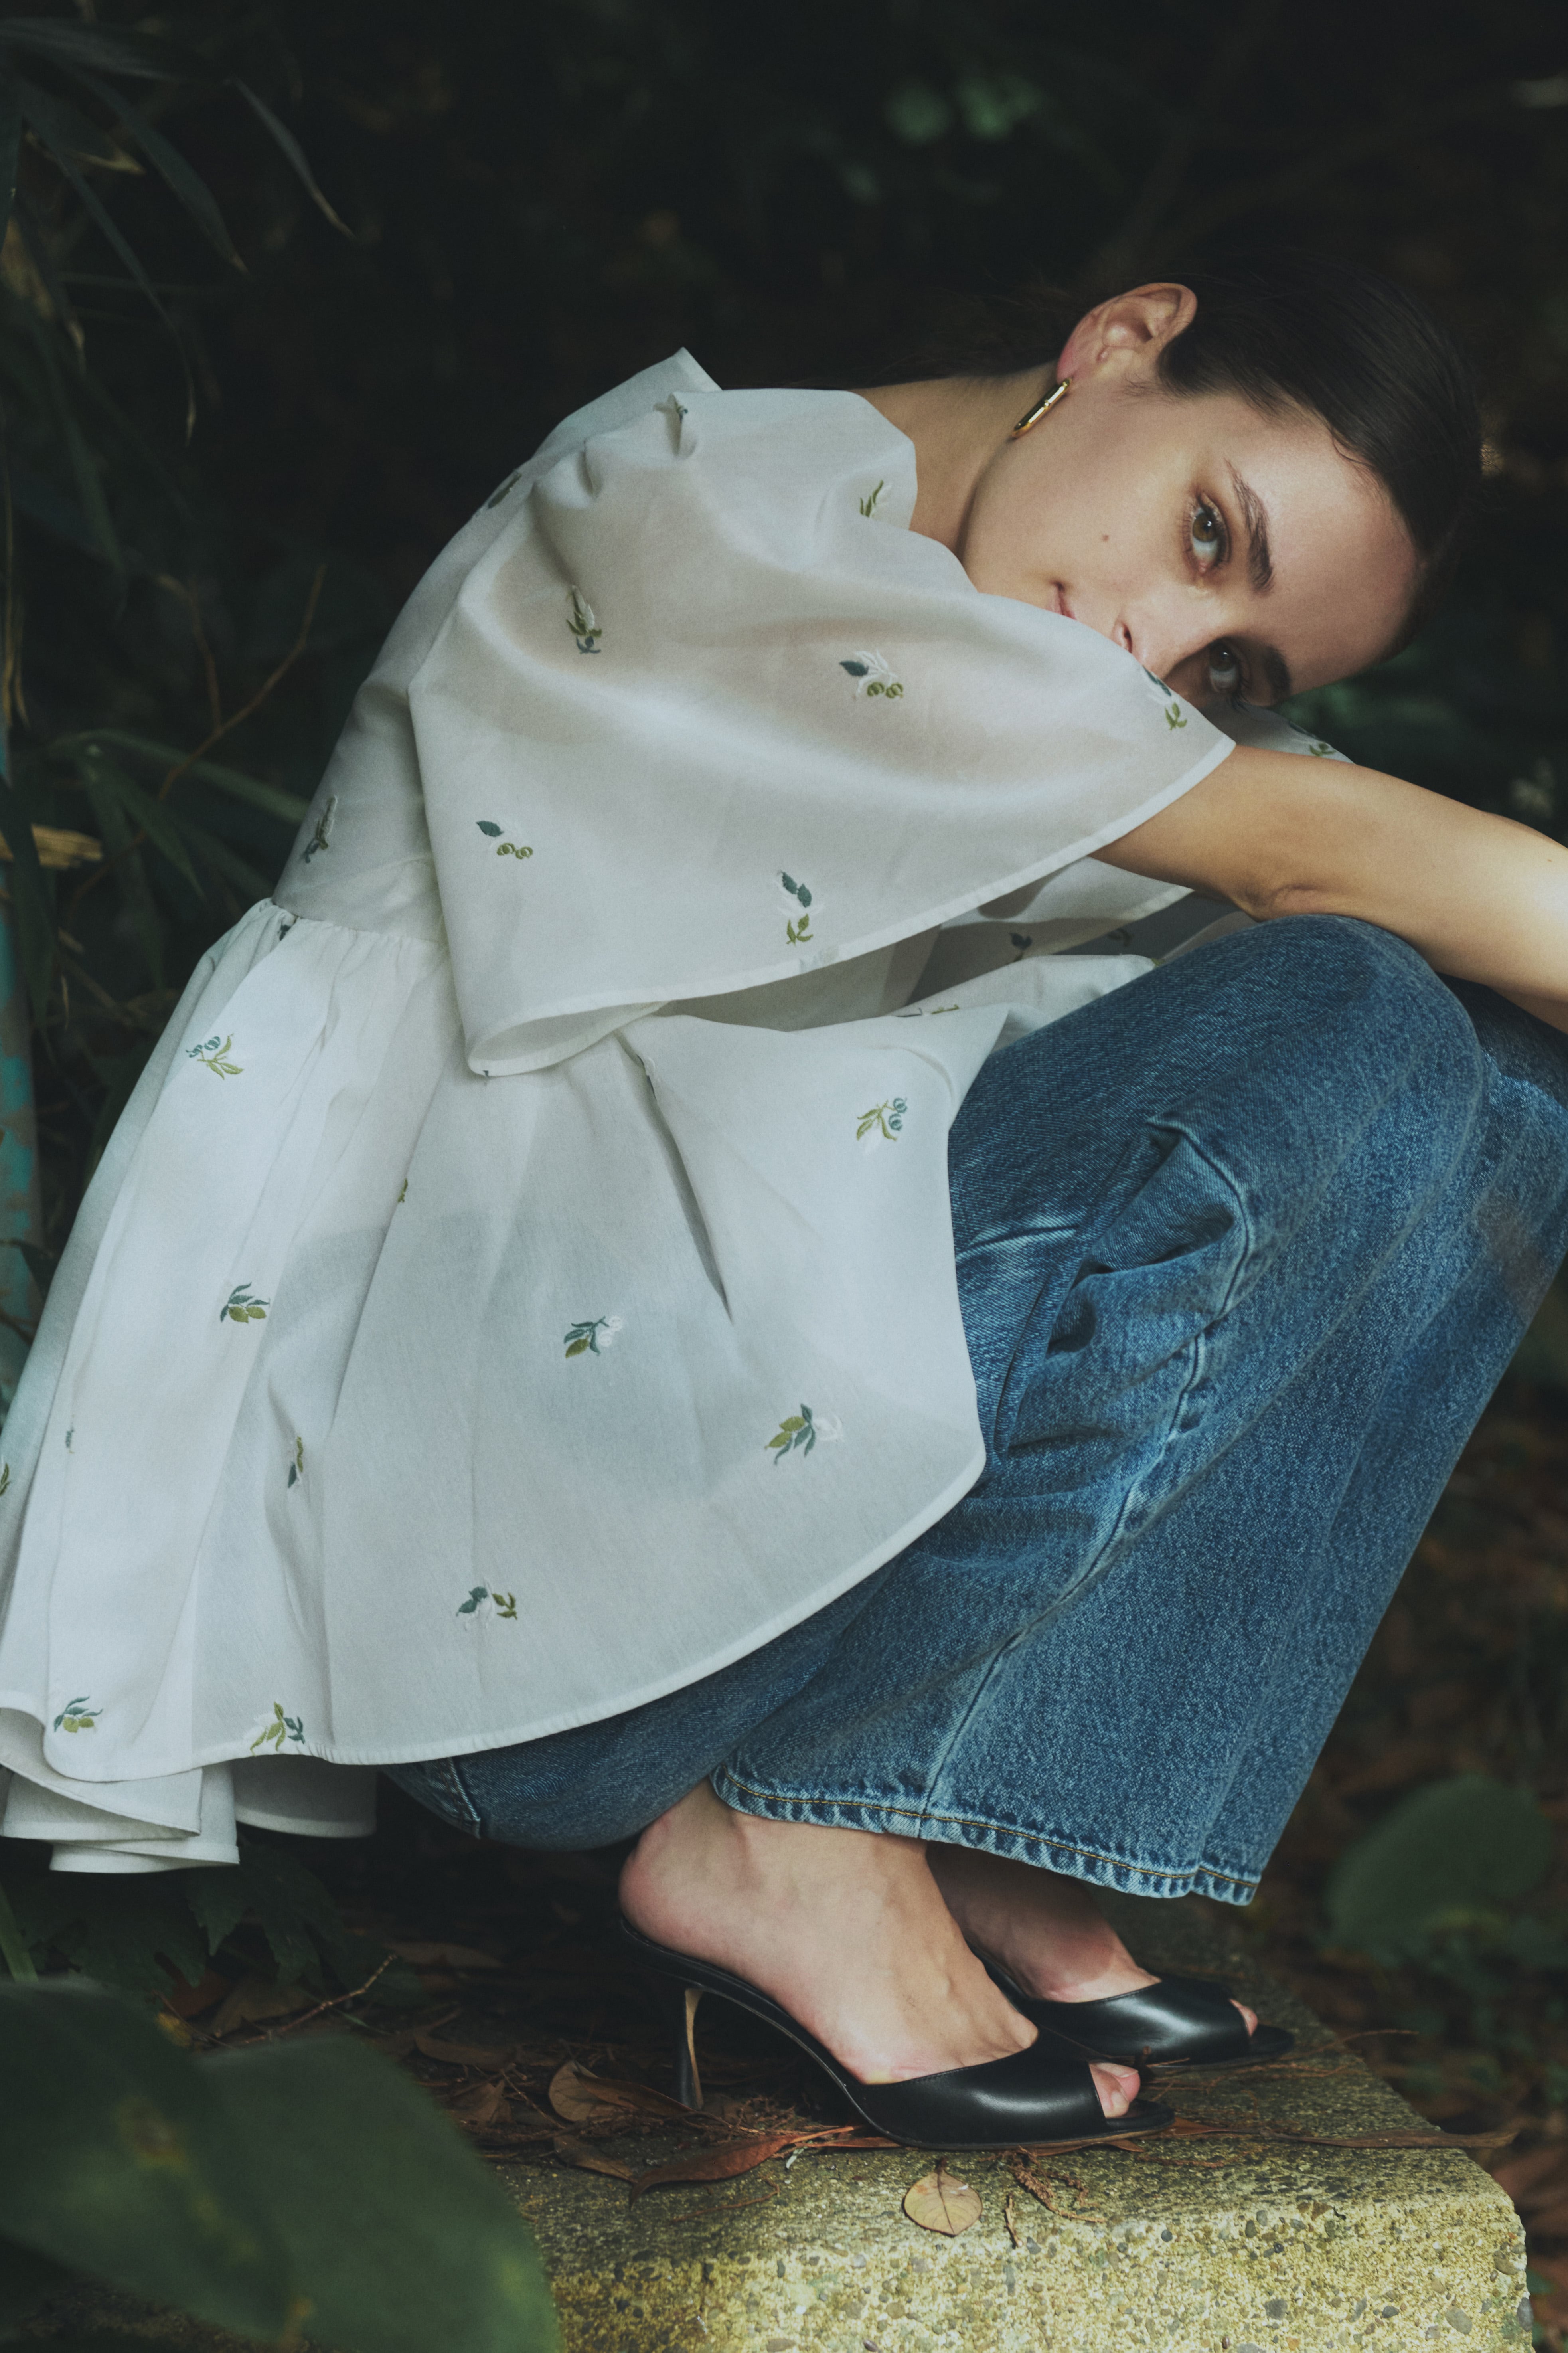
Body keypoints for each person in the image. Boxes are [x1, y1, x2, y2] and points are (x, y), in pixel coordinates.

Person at [4, 253, 1566, 2149]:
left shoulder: (1053, 665)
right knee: (1348, 999)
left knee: (1494, 1068)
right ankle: (791, 1825)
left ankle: (979, 1804)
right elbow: (1311, 852)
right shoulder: (697, 509)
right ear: (1120, 340)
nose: (1148, 645)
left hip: (719, 1499)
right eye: (1203, 533)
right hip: (508, 1604)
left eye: (1230, 668)